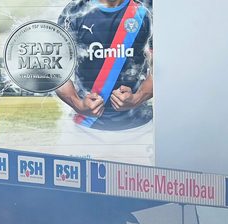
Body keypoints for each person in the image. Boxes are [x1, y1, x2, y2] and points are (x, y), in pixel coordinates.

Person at [54, 0, 154, 165]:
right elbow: (57, 70)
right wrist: (78, 104)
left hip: (139, 131)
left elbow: (162, 65)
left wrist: (138, 97)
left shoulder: (147, 9)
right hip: (83, 131)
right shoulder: (73, 11)